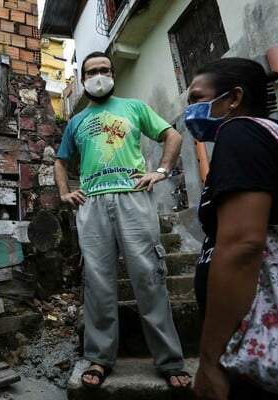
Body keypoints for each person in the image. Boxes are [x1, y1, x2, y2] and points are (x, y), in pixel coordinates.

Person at [54, 51, 190, 389]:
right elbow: (61, 161)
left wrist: (161, 170)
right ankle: (99, 358)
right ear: (83, 80)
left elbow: (172, 135)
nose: (98, 75)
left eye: (104, 70)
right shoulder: (77, 121)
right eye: (91, 72)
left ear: (112, 74)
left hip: (133, 198)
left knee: (148, 277)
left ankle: (171, 361)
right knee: (98, 283)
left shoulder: (134, 107)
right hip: (93, 204)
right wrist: (64, 193)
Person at [188, 57, 278, 400]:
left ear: (234, 98)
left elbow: (242, 246)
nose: (190, 111)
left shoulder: (241, 132)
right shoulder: (267, 138)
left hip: (270, 343)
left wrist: (209, 360)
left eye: (197, 98)